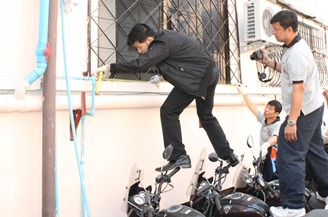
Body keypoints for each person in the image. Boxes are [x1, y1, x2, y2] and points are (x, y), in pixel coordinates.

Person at [96, 23, 239, 171]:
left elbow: (141, 65)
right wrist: (162, 76)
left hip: (197, 77)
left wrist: (111, 68)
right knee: (206, 116)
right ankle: (228, 154)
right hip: (210, 73)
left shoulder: (160, 43)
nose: (139, 51)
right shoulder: (166, 38)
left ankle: (178, 156)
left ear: (149, 40)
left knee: (168, 111)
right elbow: (180, 59)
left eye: (139, 47)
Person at [261, 10, 328, 217]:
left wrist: (292, 121)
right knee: (314, 150)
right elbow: (287, 70)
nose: (273, 33)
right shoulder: (292, 48)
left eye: (276, 29)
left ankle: (293, 207)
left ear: (289, 29)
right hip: (313, 107)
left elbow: (299, 88)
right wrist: (268, 62)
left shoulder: (297, 53)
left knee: (289, 155)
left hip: (302, 111)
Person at [236, 83, 282, 181]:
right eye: (267, 107)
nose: (266, 110)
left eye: (270, 109)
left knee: (272, 181)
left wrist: (266, 144)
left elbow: (275, 137)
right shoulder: (264, 120)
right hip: (263, 158)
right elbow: (253, 108)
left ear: (276, 113)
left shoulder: (277, 125)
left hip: (274, 159)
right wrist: (244, 94)